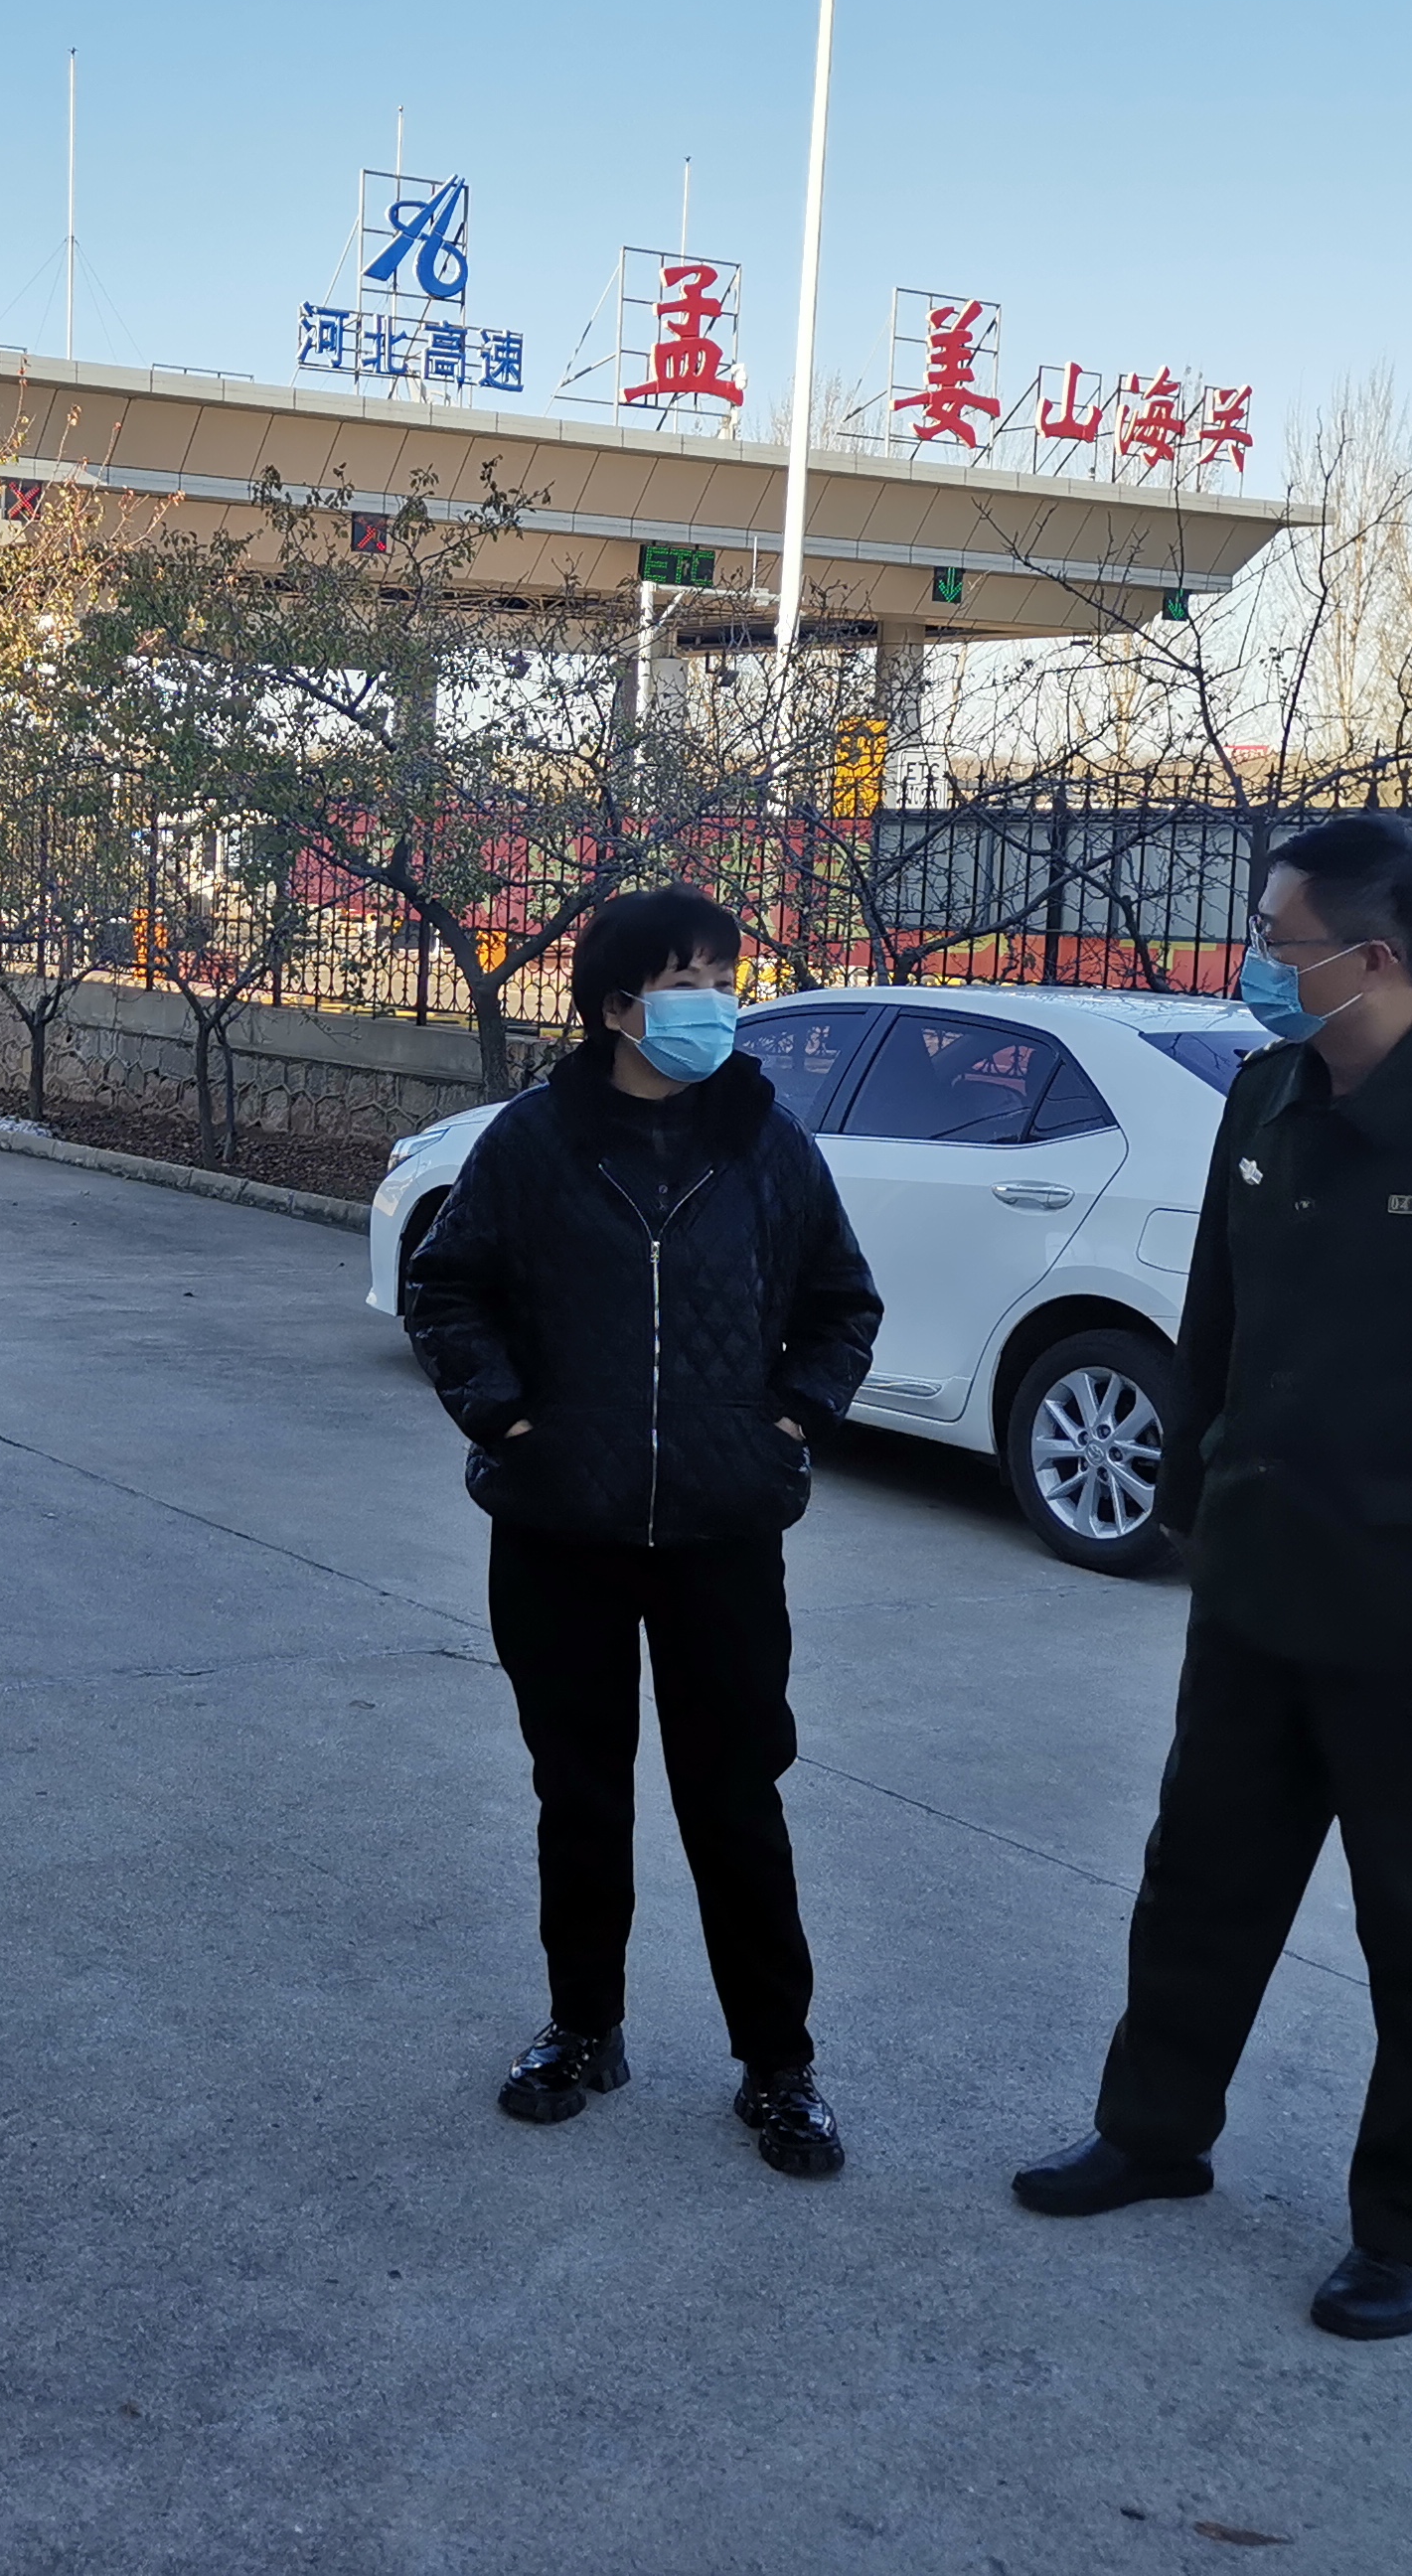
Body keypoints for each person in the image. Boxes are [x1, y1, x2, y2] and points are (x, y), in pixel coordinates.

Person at [1012, 813, 1412, 2339]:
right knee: (1199, 1881)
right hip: (1261, 1583)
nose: (1256, 963)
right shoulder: (1269, 1093)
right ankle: (1154, 2134)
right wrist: (1190, 1497)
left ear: (1376, 957)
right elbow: (1220, 1318)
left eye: (1278, 942)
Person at [400, 886, 882, 2178]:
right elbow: (447, 1287)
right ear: (617, 1006)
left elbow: (842, 1302)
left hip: (724, 1532)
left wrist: (791, 1421)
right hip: (560, 1526)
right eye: (686, 982)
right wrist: (505, 1418)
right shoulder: (533, 1143)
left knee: (737, 1799)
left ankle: (778, 2066)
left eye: (725, 979)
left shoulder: (767, 1143)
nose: (714, 1004)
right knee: (579, 1792)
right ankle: (582, 2028)